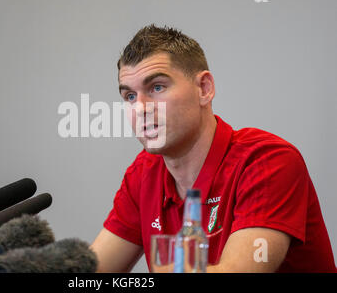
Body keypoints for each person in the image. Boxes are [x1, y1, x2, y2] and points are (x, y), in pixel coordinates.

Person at [89, 24, 336, 273]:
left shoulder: (268, 161)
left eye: (157, 88)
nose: (140, 108)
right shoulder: (144, 172)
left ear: (204, 89)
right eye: (130, 96)